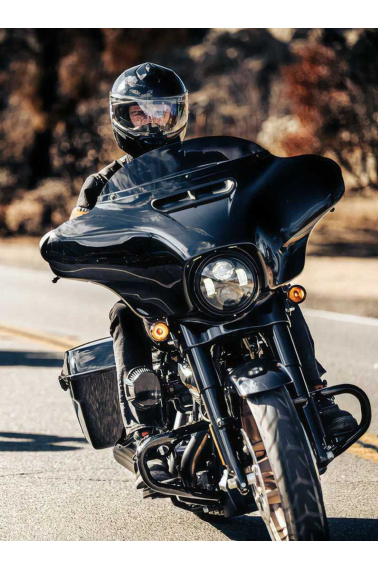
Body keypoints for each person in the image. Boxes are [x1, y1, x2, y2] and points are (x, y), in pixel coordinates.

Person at [70, 63, 356, 474]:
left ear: (178, 114)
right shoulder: (103, 185)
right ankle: (143, 427)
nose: (151, 122)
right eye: (140, 113)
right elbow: (78, 231)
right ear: (121, 117)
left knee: (278, 295)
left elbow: (259, 188)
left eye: (161, 111)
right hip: (160, 287)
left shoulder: (212, 159)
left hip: (216, 275)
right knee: (124, 314)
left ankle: (317, 397)